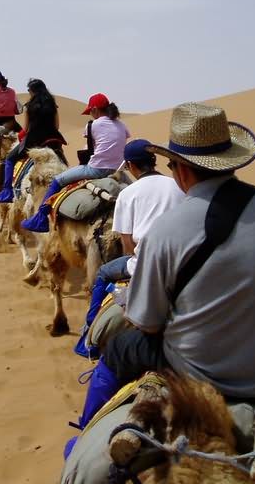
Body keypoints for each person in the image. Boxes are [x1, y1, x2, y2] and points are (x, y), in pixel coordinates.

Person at [70, 102, 255, 456]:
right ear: (232, 161)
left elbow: (148, 323)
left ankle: (83, 440)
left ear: (181, 170)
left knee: (116, 350)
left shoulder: (165, 232)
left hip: (199, 370)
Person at [73, 138, 184, 358]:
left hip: (145, 264)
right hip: (181, 261)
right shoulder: (178, 186)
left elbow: (127, 244)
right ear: (153, 161)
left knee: (103, 273)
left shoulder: (127, 194)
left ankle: (89, 333)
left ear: (131, 165)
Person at [21, 93, 129, 232]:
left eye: (90, 112)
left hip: (96, 170)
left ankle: (40, 219)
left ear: (95, 109)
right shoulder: (121, 125)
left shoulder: (93, 125)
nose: (91, 115)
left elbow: (90, 148)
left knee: (57, 181)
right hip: (118, 170)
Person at [0, 78, 67, 203]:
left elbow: (25, 129)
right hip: (52, 140)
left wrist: (20, 136)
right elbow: (57, 126)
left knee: (9, 159)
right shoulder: (52, 105)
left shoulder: (29, 107)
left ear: (32, 91)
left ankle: (7, 191)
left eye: (29, 90)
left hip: (34, 141)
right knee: (61, 160)